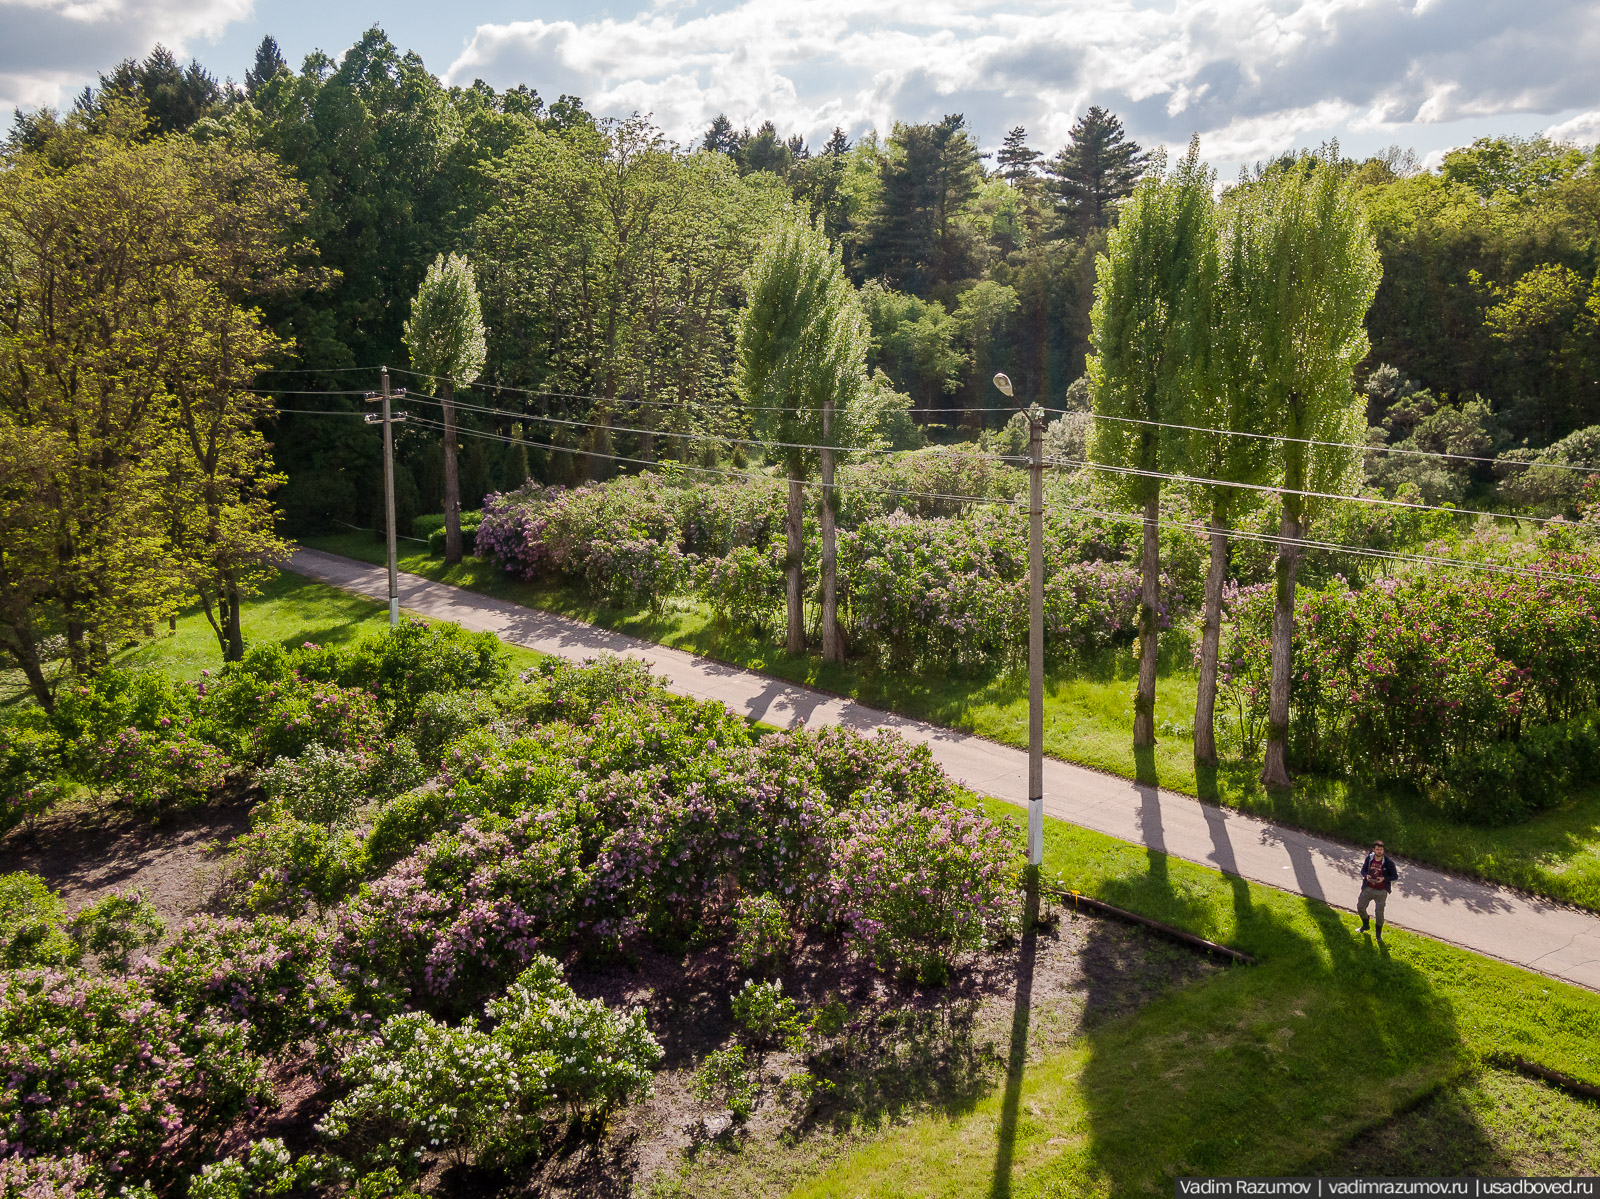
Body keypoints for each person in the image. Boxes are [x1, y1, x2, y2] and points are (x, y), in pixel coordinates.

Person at [1356, 840, 1398, 938]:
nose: (1379, 851)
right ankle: (1365, 925)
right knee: (1360, 907)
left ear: (1383, 851)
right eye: (1377, 849)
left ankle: (1378, 936)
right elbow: (1363, 870)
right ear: (1373, 850)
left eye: (1381, 849)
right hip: (1368, 888)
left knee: (1379, 914)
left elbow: (1395, 876)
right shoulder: (1369, 859)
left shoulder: (1389, 863)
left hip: (1381, 891)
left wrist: (1384, 878)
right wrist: (1366, 875)